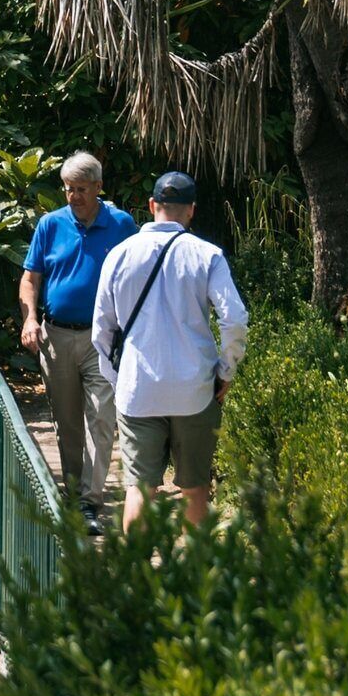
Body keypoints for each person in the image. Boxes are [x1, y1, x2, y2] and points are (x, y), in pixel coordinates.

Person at [90, 170, 249, 530]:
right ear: (191, 210)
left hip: (138, 390)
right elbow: (235, 319)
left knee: (139, 491)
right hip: (195, 390)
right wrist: (226, 370)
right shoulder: (208, 255)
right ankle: (194, 579)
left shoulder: (119, 255)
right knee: (195, 489)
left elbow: (101, 328)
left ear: (151, 206)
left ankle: (138, 577)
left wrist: (118, 379)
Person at [17, 150, 139, 509]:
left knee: (101, 418)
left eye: (82, 189)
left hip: (102, 338)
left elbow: (135, 277)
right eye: (69, 189)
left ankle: (91, 499)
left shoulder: (122, 225)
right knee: (67, 424)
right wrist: (29, 318)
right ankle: (73, 493)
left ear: (99, 187)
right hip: (55, 336)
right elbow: (30, 279)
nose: (74, 196)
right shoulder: (50, 225)